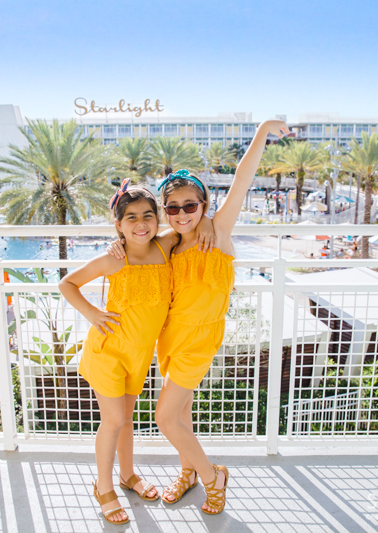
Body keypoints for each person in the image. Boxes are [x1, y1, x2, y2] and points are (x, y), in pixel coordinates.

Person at [108, 119, 288, 515]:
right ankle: (188, 471)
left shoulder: (218, 231)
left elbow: (243, 178)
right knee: (182, 415)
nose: (182, 213)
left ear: (204, 205)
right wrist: (117, 242)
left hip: (200, 341)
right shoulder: (166, 244)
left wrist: (262, 131)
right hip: (168, 337)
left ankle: (212, 477)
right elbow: (133, 232)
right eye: (172, 208)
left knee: (165, 418)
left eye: (191, 206)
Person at [60, 179, 214, 525]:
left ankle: (127, 475)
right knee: (113, 420)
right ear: (118, 225)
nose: (141, 223)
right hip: (108, 352)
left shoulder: (165, 247)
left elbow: (192, 223)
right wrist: (92, 313)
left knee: (126, 418)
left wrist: (204, 220)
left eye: (148, 215)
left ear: (158, 219)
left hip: (139, 355)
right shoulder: (114, 259)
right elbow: (66, 283)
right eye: (130, 218)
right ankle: (104, 487)